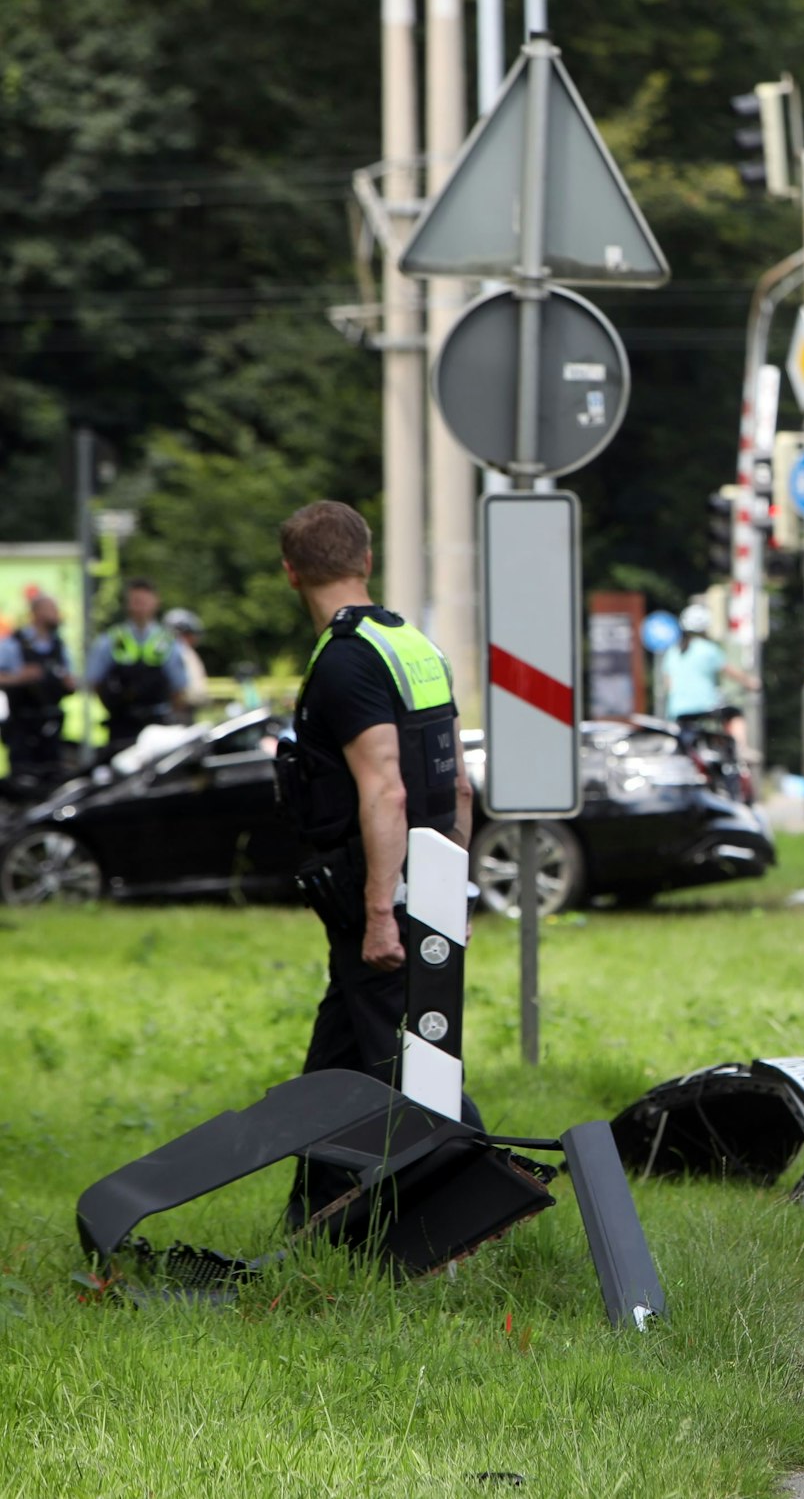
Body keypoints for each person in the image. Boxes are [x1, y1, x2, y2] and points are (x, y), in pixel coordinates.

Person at [271, 500, 475, 1227]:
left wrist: (381, 911)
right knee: (338, 1055)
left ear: (291, 572)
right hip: (431, 870)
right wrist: (453, 889)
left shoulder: (343, 661)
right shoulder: (412, 645)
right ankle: (319, 1215)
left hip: (377, 884)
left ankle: (477, 1192)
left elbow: (384, 786)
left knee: (405, 1059)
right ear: (365, 560)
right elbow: (454, 783)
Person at [86, 577, 186, 758]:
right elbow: (95, 681)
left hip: (157, 722)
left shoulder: (167, 641)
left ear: (156, 602)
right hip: (122, 722)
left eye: (145, 601)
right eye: (136, 601)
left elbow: (179, 687)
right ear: (128, 604)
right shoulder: (111, 639)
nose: (140, 607)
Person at [657, 601, 757, 751]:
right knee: (734, 714)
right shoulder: (708, 649)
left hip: (678, 710)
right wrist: (750, 682)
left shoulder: (673, 651)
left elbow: (668, 684)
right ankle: (742, 748)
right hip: (706, 706)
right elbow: (730, 672)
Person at [0, 591, 76, 781]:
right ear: (36, 613)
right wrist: (21, 677)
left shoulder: (59, 645)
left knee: (54, 777)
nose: (56, 614)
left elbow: (70, 680)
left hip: (52, 725)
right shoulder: (12, 644)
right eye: (51, 609)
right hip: (22, 725)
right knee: (23, 779)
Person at [163, 607, 211, 719]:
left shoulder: (184, 651)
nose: (194, 638)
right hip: (177, 713)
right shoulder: (175, 651)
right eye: (191, 633)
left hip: (187, 710)